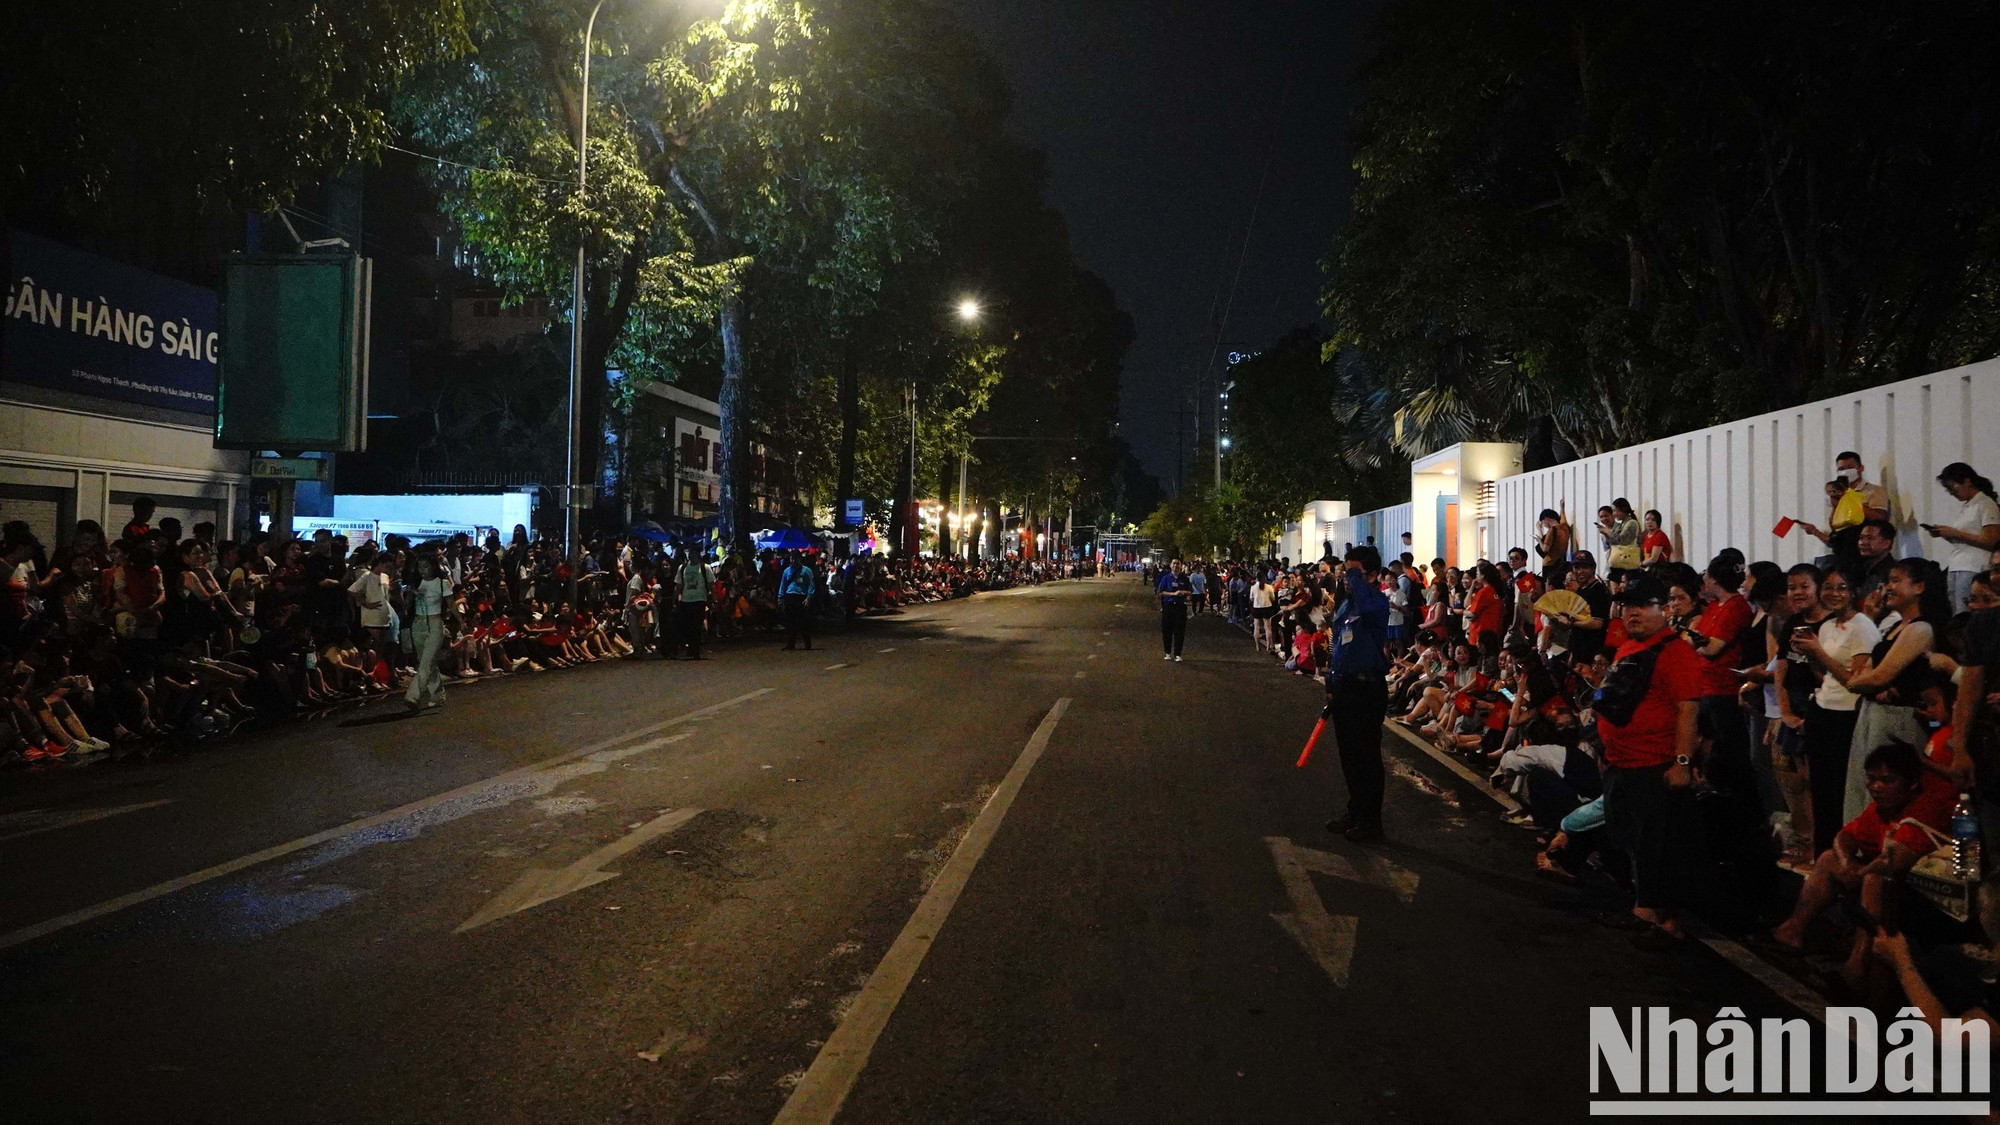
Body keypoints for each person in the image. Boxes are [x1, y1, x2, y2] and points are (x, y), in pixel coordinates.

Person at [1769, 741, 1946, 984]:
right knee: (1829, 858)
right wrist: (1846, 861)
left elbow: (1894, 862)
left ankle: (1857, 964)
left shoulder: (1924, 810)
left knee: (1875, 880)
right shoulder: (1881, 808)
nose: (1876, 787)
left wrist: (1859, 871)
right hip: (1886, 881)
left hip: (1926, 899)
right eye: (1871, 779)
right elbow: (1845, 836)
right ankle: (1793, 929)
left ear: (1912, 783)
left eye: (1887, 780)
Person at [1595, 575, 1705, 949]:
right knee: (1630, 837)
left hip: (1653, 765)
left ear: (1665, 610)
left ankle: (1653, 914)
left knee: (1654, 843)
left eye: (1643, 606)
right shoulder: (1630, 646)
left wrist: (1682, 763)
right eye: (1628, 607)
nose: (1633, 613)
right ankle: (1649, 908)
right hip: (1621, 763)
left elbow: (1688, 711)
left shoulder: (1677, 653)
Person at [1794, 567, 1881, 853]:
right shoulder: (1827, 625)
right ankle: (1823, 856)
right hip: (1823, 709)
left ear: (1854, 592)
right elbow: (1826, 674)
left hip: (1847, 715)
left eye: (1842, 588)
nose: (1834, 594)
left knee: (1841, 790)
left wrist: (1818, 652)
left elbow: (1856, 681)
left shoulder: (1863, 626)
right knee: (1819, 790)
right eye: (1829, 588)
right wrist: (1809, 655)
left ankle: (1845, 856)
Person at [1320, 545, 1391, 842]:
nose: (1348, 579)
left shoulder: (1376, 601)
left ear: (1372, 575)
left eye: (1354, 573)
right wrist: (1331, 680)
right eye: (1345, 573)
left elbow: (1365, 600)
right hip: (1346, 686)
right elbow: (1339, 644)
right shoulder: (1348, 604)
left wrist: (1355, 580)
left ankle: (1370, 820)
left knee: (1366, 757)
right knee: (1348, 756)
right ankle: (1355, 810)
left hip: (1367, 687)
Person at [1927, 462, 2000, 613]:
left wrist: (1955, 533)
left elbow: (1992, 541)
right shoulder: (1968, 506)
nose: (1952, 493)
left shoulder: (1985, 504)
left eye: (1953, 487)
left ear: (1967, 481)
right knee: (1956, 613)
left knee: (1966, 612)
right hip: (1957, 564)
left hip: (1973, 566)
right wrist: (1946, 534)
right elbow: (1966, 538)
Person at [404, 554, 453, 712]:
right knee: (425, 660)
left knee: (426, 660)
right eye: (420, 567)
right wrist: (410, 594)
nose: (422, 570)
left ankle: (413, 695)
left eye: (426, 566)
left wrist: (461, 621)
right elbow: (406, 606)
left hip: (435, 623)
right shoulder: (416, 583)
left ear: (433, 566)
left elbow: (451, 605)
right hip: (418, 624)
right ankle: (438, 693)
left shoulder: (442, 583)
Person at [674, 551, 715, 660]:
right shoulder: (682, 568)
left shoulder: (705, 568)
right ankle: (691, 646)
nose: (690, 556)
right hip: (685, 600)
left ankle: (695, 649)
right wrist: (676, 598)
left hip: (700, 599)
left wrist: (713, 599)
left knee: (697, 625)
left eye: (692, 553)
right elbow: (678, 585)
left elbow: (711, 585)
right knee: (687, 625)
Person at [779, 551, 817, 651]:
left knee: (803, 622)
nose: (793, 561)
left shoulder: (807, 571)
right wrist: (780, 598)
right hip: (789, 597)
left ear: (799, 559)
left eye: (795, 559)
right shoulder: (787, 571)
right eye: (791, 559)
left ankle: (807, 644)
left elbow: (811, 585)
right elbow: (783, 585)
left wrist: (809, 597)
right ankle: (790, 644)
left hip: (801, 597)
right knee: (790, 622)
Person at [1157, 559, 1191, 661]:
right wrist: (1173, 594)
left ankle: (1178, 654)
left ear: (1181, 567)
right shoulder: (1166, 578)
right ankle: (1167, 652)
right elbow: (1161, 592)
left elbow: (1190, 591)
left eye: (1178, 564)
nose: (1176, 566)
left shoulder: (1184, 579)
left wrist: (1183, 592)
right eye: (1174, 564)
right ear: (1171, 566)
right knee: (1167, 630)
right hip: (1169, 606)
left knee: (1179, 631)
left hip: (1180, 607)